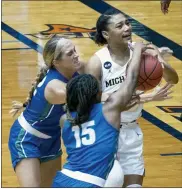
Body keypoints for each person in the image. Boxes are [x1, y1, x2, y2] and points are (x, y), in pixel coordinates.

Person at [85, 9, 178, 187]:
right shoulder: (97, 63)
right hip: (105, 132)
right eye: (119, 26)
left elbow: (173, 79)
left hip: (131, 131)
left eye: (127, 23)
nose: (127, 28)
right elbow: (97, 104)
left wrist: (159, 60)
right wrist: (147, 98)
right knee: (112, 182)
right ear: (106, 34)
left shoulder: (141, 51)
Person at [52, 42, 151, 187]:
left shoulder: (65, 119)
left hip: (63, 179)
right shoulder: (109, 109)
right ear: (97, 94)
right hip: (88, 183)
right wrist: (137, 51)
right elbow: (131, 79)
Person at [8, 35, 83, 187]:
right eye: (70, 53)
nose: (76, 55)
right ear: (56, 62)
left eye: (75, 50)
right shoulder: (55, 87)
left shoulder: (75, 69)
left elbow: (100, 63)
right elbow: (89, 96)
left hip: (51, 138)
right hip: (27, 137)